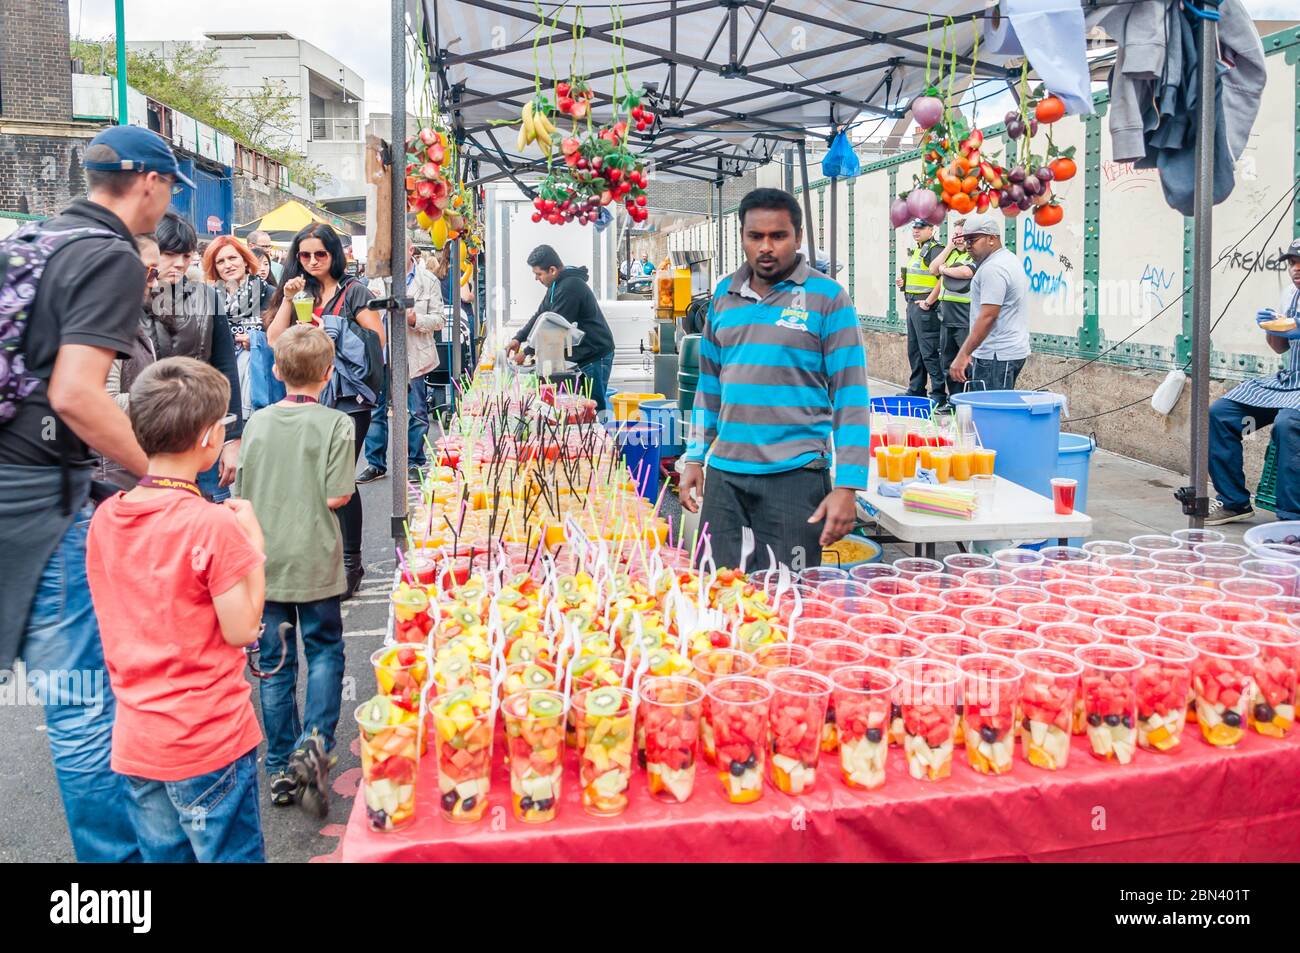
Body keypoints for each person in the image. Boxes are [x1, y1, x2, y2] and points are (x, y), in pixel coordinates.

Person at [0, 125, 181, 862]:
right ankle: (118, 876)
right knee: (79, 705)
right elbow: (79, 394)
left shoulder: (33, 239)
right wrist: (162, 470)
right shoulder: (109, 256)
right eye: (169, 188)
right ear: (150, 182)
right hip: (39, 496)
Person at [86, 357, 267, 862]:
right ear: (210, 437)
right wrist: (255, 549)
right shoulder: (214, 525)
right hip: (207, 739)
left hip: (137, 739)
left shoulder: (106, 517)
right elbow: (243, 628)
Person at [679, 187, 871, 571]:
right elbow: (709, 385)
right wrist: (695, 457)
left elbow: (850, 395)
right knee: (715, 593)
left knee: (790, 598)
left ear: (797, 238)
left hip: (796, 477)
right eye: (756, 236)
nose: (766, 247)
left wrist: (848, 485)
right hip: (726, 476)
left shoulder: (828, 298)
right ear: (743, 238)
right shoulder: (723, 296)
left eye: (778, 236)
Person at [236, 325, 355, 815]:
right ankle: (315, 741)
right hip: (316, 561)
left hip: (266, 563)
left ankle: (281, 764)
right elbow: (337, 496)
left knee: (274, 665)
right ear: (329, 375)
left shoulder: (257, 424)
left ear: (275, 370)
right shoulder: (336, 424)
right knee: (325, 652)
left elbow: (240, 494)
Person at [266, 223, 384, 600]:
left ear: (335, 254)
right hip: (308, 394)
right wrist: (287, 298)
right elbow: (274, 340)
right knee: (313, 478)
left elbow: (376, 340)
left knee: (339, 478)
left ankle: (351, 561)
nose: (313, 261)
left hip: (349, 398)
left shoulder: (354, 292)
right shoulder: (299, 290)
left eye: (320, 254)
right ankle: (325, 556)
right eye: (305, 255)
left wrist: (328, 327)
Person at [150, 211, 244, 501]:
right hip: (150, 439)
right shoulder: (130, 298)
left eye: (186, 255)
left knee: (211, 521)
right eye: (169, 254)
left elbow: (225, 367)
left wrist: (232, 438)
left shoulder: (206, 297)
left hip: (204, 432)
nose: (178, 263)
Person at [1206, 240, 1300, 525]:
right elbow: (1280, 348)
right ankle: (1234, 501)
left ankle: (1291, 517)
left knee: (1288, 424)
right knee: (1222, 414)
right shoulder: (1290, 295)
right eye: (1292, 263)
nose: (1296, 269)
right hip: (1291, 381)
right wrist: (1273, 328)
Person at [359, 245, 444, 484]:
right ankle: (375, 464)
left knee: (417, 410)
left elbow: (439, 320)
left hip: (414, 355)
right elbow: (364, 316)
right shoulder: (376, 281)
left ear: (411, 250)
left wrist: (414, 318)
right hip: (383, 354)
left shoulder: (428, 280)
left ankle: (416, 462)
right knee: (376, 410)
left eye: (400, 247)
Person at [507, 245, 616, 413]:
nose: (537, 279)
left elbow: (552, 328)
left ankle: (600, 437)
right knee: (581, 406)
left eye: (539, 274)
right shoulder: (555, 286)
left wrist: (527, 352)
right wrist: (518, 338)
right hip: (583, 354)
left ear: (552, 270)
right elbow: (541, 315)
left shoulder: (570, 288)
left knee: (592, 408)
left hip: (595, 354)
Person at [100, 233, 163, 489]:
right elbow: (103, 401)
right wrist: (170, 393)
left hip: (126, 470)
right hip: (112, 477)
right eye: (151, 272)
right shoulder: (104, 322)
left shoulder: (125, 318)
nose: (155, 284)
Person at [948, 212, 1030, 391]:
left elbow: (988, 316)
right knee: (996, 411)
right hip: (1005, 352)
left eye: (973, 240)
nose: (968, 245)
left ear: (992, 238)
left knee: (991, 414)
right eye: (966, 240)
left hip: (996, 354)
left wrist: (963, 355)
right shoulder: (1007, 259)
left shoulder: (993, 268)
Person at [203, 235, 275, 421]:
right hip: (221, 385)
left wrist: (259, 341)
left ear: (244, 259)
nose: (227, 265)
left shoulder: (271, 294)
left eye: (232, 258)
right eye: (220, 261)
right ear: (215, 268)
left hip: (263, 387)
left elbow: (286, 340)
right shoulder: (208, 300)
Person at [930, 218, 976, 409]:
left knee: (968, 362)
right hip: (947, 316)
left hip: (964, 316)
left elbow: (966, 273)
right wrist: (949, 246)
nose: (957, 238)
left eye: (960, 234)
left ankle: (970, 401)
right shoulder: (952, 255)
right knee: (948, 360)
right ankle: (954, 400)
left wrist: (944, 270)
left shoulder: (973, 255)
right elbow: (933, 268)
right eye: (955, 234)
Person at [897, 218, 945, 404]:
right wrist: (905, 283)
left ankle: (939, 394)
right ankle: (916, 389)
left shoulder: (935, 249)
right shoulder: (919, 248)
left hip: (925, 307)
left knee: (929, 352)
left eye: (921, 227)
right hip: (913, 304)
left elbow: (943, 280)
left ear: (932, 229)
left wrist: (928, 302)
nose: (916, 230)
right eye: (914, 227)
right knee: (914, 350)